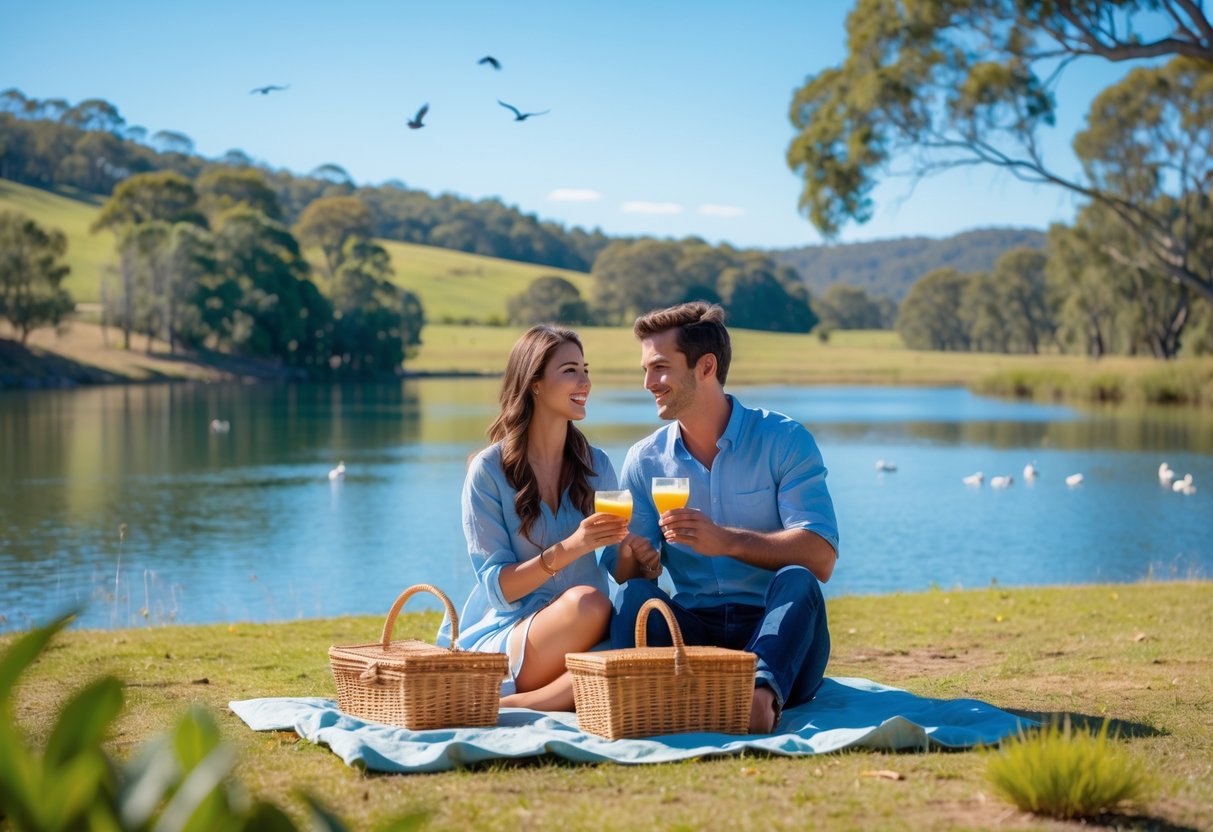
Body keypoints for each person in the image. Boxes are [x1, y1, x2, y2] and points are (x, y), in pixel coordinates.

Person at [603, 302, 839, 734]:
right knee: (632, 596)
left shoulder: (784, 440)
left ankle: (760, 697)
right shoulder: (645, 459)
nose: (648, 383)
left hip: (777, 628)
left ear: (705, 366)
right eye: (645, 370)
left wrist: (726, 541)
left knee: (798, 579)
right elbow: (631, 576)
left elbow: (821, 556)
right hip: (690, 637)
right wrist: (634, 556)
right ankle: (661, 695)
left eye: (659, 368)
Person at [439, 325, 630, 711]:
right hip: (514, 632)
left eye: (586, 369)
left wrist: (640, 554)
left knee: (636, 633)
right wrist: (573, 547)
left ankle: (520, 705)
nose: (585, 381)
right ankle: (545, 692)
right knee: (589, 606)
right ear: (536, 384)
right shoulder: (489, 471)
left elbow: (619, 567)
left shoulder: (597, 466)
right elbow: (499, 589)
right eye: (570, 370)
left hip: (581, 633)